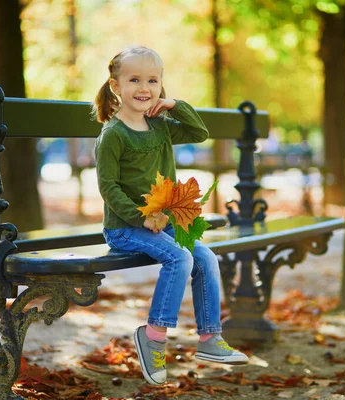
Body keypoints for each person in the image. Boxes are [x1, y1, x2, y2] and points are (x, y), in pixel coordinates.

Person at [93, 46, 248, 386]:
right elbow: (108, 188)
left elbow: (199, 133)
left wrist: (176, 105)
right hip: (124, 228)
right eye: (134, 80)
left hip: (162, 225)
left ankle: (209, 339)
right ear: (116, 86)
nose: (144, 88)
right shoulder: (113, 135)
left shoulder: (161, 126)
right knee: (180, 257)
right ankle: (154, 337)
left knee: (205, 257)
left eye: (153, 80)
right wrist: (140, 217)